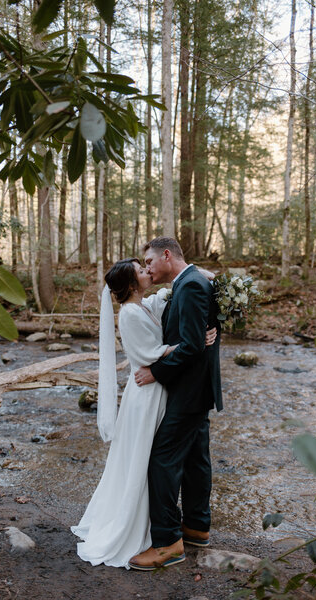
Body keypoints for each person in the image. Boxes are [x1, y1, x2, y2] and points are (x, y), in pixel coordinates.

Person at [71, 257, 217, 568]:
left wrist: (194, 274)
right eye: (141, 270)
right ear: (131, 284)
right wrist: (193, 343)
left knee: (169, 455)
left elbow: (176, 290)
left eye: (146, 265)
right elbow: (149, 354)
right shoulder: (129, 315)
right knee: (145, 458)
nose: (147, 271)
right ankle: (144, 527)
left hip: (160, 390)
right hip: (146, 394)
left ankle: (176, 526)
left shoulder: (145, 305)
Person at [129, 237, 222, 571]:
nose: (149, 269)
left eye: (150, 261)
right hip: (196, 389)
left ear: (167, 255)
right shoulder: (192, 281)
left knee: (162, 459)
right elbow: (199, 333)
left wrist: (155, 372)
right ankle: (197, 526)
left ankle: (168, 543)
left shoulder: (192, 285)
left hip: (189, 390)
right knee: (196, 458)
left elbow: (193, 345)